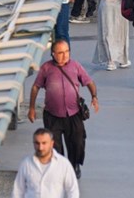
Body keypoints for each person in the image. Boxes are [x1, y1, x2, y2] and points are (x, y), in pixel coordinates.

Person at [28, 40, 99, 177]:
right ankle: (60, 169)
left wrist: (94, 96)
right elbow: (36, 87)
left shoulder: (75, 66)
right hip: (52, 114)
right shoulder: (46, 68)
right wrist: (31, 108)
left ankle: (74, 166)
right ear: (53, 54)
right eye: (60, 53)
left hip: (74, 114)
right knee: (55, 145)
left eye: (67, 52)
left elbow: (89, 82)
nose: (64, 55)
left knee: (77, 142)